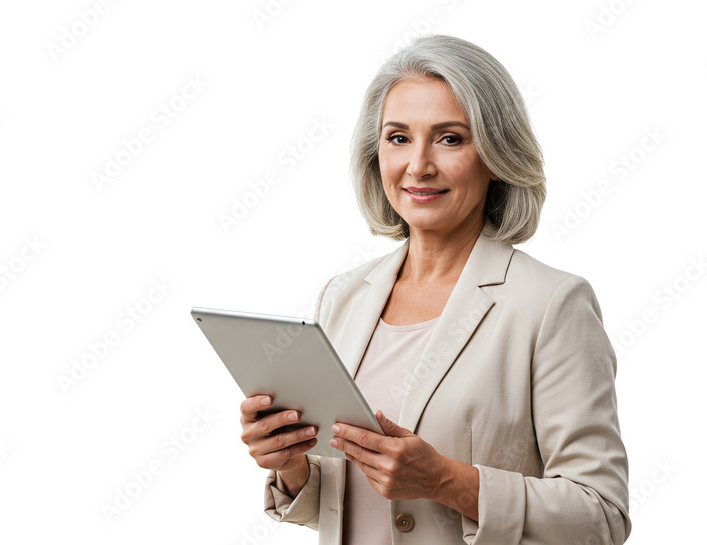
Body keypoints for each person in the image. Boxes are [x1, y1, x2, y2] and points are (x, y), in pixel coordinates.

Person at [237, 34, 630, 544]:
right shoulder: (344, 297)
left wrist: (447, 481)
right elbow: (345, 505)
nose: (418, 165)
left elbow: (600, 515)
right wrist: (291, 464)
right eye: (398, 138)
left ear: (495, 153)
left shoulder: (551, 304)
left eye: (449, 138)